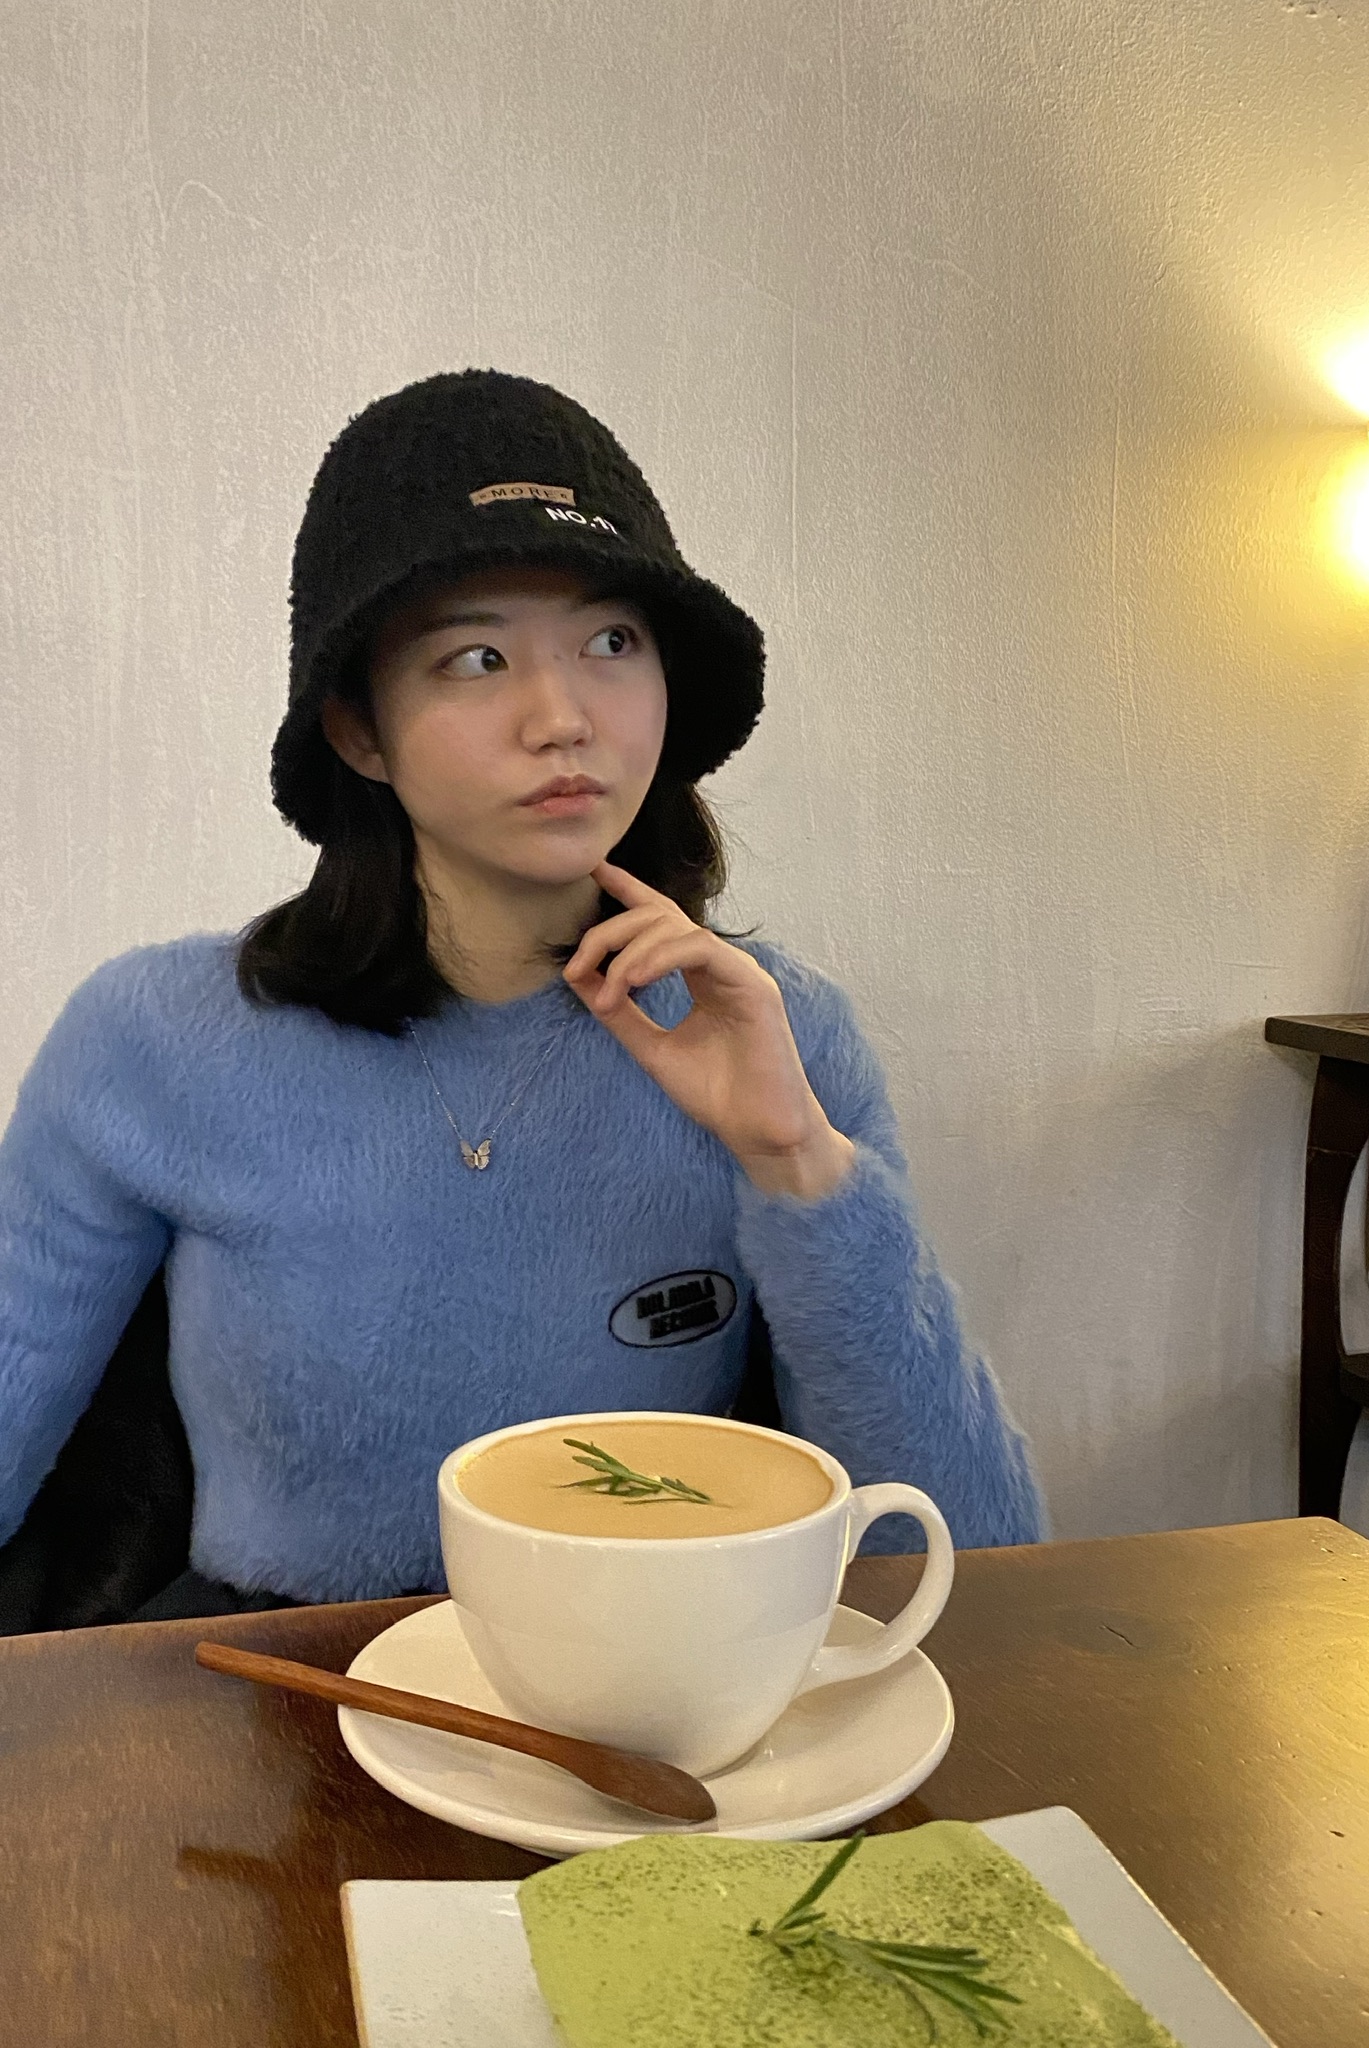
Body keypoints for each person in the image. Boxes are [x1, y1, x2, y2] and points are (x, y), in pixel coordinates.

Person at [0, 370, 1045, 1618]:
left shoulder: (778, 1032)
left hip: (647, 1690)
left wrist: (797, 1160)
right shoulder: (154, 1040)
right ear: (359, 730)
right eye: (477, 656)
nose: (562, 718)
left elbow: (978, 1564)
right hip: (275, 1693)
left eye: (612, 643)